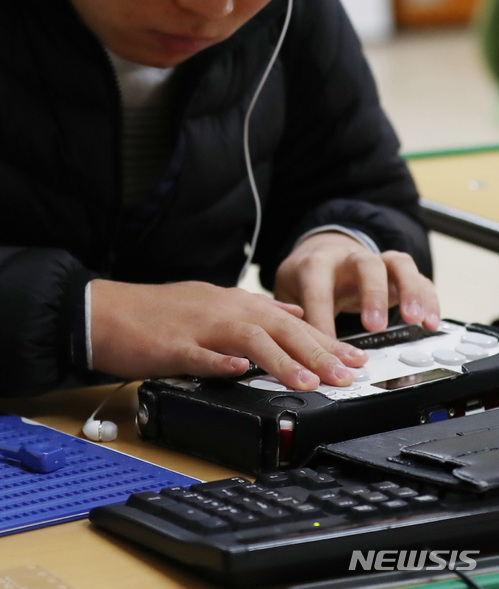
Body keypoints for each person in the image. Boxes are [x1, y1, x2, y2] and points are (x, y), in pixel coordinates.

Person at [0, 0, 440, 398]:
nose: (214, 9)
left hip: (159, 428)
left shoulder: (292, 13)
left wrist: (342, 240)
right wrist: (91, 316)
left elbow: (366, 186)